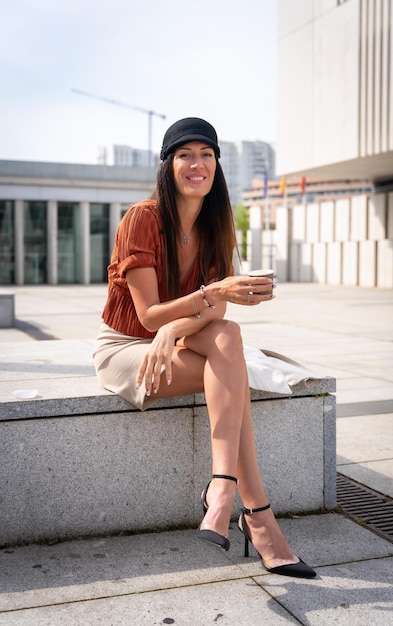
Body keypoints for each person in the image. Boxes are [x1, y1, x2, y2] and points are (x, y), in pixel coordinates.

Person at [93, 117, 316, 579]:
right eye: (185, 155)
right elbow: (149, 316)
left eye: (207, 155)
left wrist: (177, 330)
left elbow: (216, 315)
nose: (198, 164)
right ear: (168, 165)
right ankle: (257, 516)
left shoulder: (217, 226)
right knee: (231, 369)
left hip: (175, 338)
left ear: (217, 165)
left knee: (229, 338)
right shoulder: (142, 219)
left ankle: (222, 491)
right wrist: (186, 315)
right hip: (127, 347)